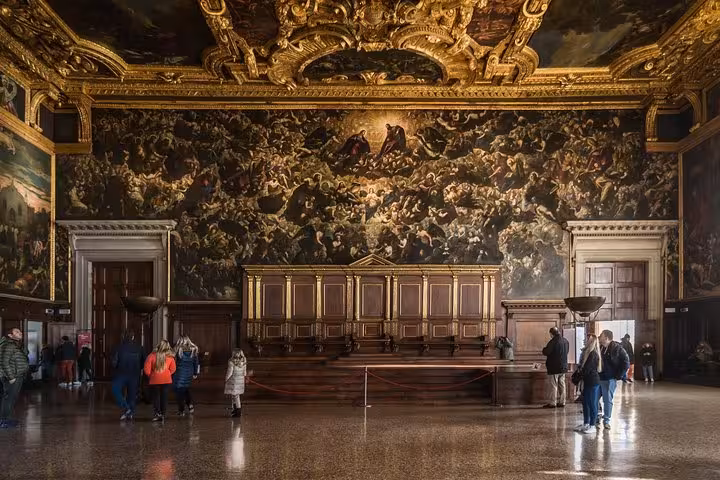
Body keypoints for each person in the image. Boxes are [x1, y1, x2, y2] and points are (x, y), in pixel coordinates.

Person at [597, 330, 630, 430]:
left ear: (606, 338)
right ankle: (597, 416)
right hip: (599, 378)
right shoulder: (601, 347)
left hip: (610, 378)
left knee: (607, 400)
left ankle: (606, 420)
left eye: (601, 336)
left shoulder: (618, 348)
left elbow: (626, 363)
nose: (599, 337)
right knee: (595, 399)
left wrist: (618, 376)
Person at [112, 330, 145, 421]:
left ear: (124, 337)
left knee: (115, 389)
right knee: (132, 394)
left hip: (121, 373)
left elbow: (114, 362)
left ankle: (126, 408)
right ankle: (130, 413)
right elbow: (143, 362)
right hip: (135, 374)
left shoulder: (118, 347)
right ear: (133, 337)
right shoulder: (140, 348)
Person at [0, 328, 28, 428]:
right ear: (10, 335)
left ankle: (6, 419)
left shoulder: (13, 344)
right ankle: (4, 421)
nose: (20, 333)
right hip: (12, 377)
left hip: (16, 375)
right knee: (9, 398)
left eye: (20, 331)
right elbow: (3, 362)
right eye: (16, 332)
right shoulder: (8, 345)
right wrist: (11, 377)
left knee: (11, 398)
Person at [575, 334, 602, 434]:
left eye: (587, 339)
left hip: (592, 381)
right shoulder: (586, 352)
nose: (585, 340)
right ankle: (586, 423)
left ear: (591, 341)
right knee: (585, 403)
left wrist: (578, 376)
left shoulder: (593, 354)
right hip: (587, 381)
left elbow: (587, 369)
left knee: (592, 403)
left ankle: (592, 425)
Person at [144, 340, 176, 422]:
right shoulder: (170, 357)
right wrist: (167, 374)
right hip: (166, 380)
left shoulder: (151, 356)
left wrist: (152, 375)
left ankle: (157, 414)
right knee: (164, 398)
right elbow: (173, 369)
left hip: (154, 380)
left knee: (156, 398)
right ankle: (163, 414)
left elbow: (146, 370)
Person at [542, 327, 570, 408]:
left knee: (553, 385)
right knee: (562, 384)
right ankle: (562, 401)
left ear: (551, 333)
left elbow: (546, 352)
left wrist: (543, 349)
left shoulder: (553, 341)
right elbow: (567, 351)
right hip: (563, 366)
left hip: (554, 367)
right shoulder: (565, 341)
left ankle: (552, 402)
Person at [173, 335, 200, 416]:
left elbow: (174, 361)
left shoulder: (178, 349)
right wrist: (195, 373)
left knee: (179, 391)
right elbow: (196, 363)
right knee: (186, 388)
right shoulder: (194, 349)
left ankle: (181, 411)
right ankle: (190, 404)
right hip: (189, 372)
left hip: (180, 372)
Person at [225, 349, 248, 418]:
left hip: (233, 381)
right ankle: (234, 410)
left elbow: (230, 372)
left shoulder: (231, 362)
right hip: (240, 380)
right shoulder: (244, 361)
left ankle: (238, 411)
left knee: (235, 396)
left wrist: (226, 379)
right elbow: (244, 373)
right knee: (235, 396)